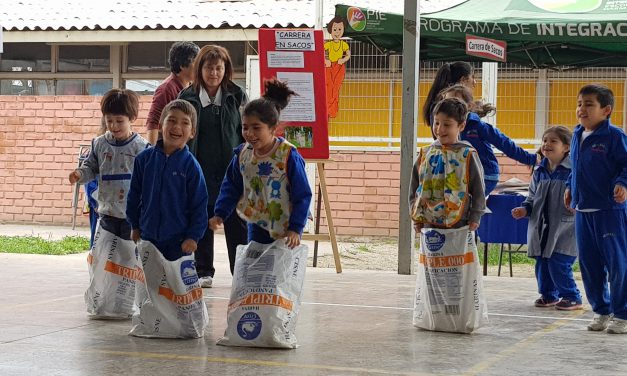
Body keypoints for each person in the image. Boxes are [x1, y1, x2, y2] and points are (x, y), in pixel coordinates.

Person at [208, 79, 312, 248]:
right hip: (256, 223)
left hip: (286, 228)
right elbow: (231, 186)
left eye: (256, 127)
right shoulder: (242, 154)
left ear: (272, 128)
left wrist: (296, 228)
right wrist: (220, 213)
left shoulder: (288, 155)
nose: (249, 133)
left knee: (278, 272)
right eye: (245, 127)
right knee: (257, 267)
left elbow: (302, 194)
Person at [178, 44, 248, 287]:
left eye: (219, 68)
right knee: (202, 218)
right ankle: (203, 269)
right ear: (200, 69)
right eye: (209, 68)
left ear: (226, 70)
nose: (214, 73)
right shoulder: (187, 97)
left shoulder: (237, 95)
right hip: (198, 167)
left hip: (232, 169)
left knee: (236, 220)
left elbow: (245, 131)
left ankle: (241, 270)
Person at [564, 84, 627, 334]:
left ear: (606, 110)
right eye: (580, 103)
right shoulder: (577, 135)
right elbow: (576, 168)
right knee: (589, 265)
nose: (582, 109)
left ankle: (622, 313)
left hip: (610, 212)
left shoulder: (614, 136)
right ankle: (602, 310)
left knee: (617, 264)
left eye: (589, 104)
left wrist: (622, 183)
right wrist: (570, 187)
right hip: (583, 212)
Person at [126, 99, 208, 262]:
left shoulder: (191, 166)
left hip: (179, 243)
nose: (177, 127)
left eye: (185, 123)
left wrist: (193, 236)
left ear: (192, 132)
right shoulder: (144, 159)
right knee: (148, 285)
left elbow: (199, 205)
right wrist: (134, 225)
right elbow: (133, 195)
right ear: (161, 125)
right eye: (171, 120)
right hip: (148, 237)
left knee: (175, 287)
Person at [511, 126, 582, 310]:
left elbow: (581, 194)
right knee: (542, 261)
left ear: (566, 147)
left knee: (559, 261)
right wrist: (524, 210)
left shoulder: (573, 171)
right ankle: (548, 295)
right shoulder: (539, 171)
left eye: (553, 141)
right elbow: (531, 197)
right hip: (541, 228)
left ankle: (572, 296)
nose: (546, 144)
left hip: (566, 227)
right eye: (544, 141)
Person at [69, 89, 149, 241]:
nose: (113, 125)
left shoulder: (142, 148)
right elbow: (90, 167)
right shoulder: (99, 144)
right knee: (104, 258)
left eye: (119, 121)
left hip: (132, 217)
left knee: (129, 260)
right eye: (109, 120)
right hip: (106, 214)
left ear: (132, 118)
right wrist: (79, 174)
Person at [441, 84, 538, 195]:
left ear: (469, 106)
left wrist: (531, 159)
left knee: (464, 203)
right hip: (462, 174)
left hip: (485, 174)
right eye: (446, 103)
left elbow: (504, 143)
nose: (449, 107)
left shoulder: (478, 127)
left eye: (455, 102)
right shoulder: (445, 129)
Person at [410, 97, 486, 232]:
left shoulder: (467, 154)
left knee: (457, 254)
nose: (440, 129)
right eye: (436, 123)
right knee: (431, 253)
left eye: (447, 124)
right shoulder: (425, 153)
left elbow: (478, 188)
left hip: (459, 221)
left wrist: (475, 216)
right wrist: (416, 215)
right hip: (428, 219)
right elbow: (415, 185)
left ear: (461, 126)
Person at [145, 41, 200, 145]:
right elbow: (153, 124)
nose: (199, 67)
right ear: (183, 64)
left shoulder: (191, 87)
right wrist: (154, 156)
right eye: (196, 62)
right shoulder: (167, 88)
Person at [422, 61, 476, 130]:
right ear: (463, 80)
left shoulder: (438, 104)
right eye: (472, 77)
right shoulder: (445, 107)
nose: (474, 82)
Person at [83, 117, 107, 248]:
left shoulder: (132, 148)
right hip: (99, 205)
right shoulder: (97, 147)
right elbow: (89, 180)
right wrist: (96, 202)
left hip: (121, 209)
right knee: (98, 244)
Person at [324, 16, 351, 119]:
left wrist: (343, 60)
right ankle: (328, 110)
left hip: (339, 67)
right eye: (335, 29)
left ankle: (332, 111)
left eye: (340, 29)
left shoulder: (344, 44)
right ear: (331, 30)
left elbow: (348, 55)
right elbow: (320, 51)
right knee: (329, 87)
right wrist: (326, 60)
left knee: (335, 89)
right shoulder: (328, 44)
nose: (337, 32)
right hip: (329, 66)